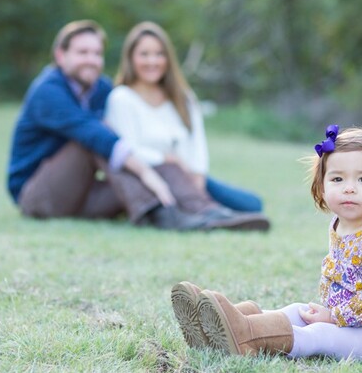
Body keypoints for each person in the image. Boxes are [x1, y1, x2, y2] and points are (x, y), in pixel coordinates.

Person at [171, 126, 362, 361]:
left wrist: (333, 317)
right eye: (337, 179)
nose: (349, 189)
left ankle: (246, 336)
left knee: (321, 334)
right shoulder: (340, 222)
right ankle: (225, 320)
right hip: (350, 322)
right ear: (322, 186)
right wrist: (330, 315)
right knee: (296, 311)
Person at [6, 19, 261, 231]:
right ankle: (167, 215)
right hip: (37, 197)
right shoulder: (48, 91)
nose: (91, 60)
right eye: (82, 52)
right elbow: (97, 135)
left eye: (97, 53)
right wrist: (147, 173)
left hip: (81, 196)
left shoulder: (99, 88)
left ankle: (205, 212)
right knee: (96, 138)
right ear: (60, 55)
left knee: (152, 160)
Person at [104, 21, 269, 228]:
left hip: (188, 174)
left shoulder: (182, 97)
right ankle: (209, 213)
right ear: (131, 58)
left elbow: (197, 143)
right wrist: (166, 158)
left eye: (159, 54)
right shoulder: (121, 98)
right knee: (183, 185)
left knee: (253, 204)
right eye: (144, 54)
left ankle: (209, 209)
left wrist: (198, 177)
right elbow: (126, 148)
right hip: (152, 174)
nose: (152, 61)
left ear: (168, 58)